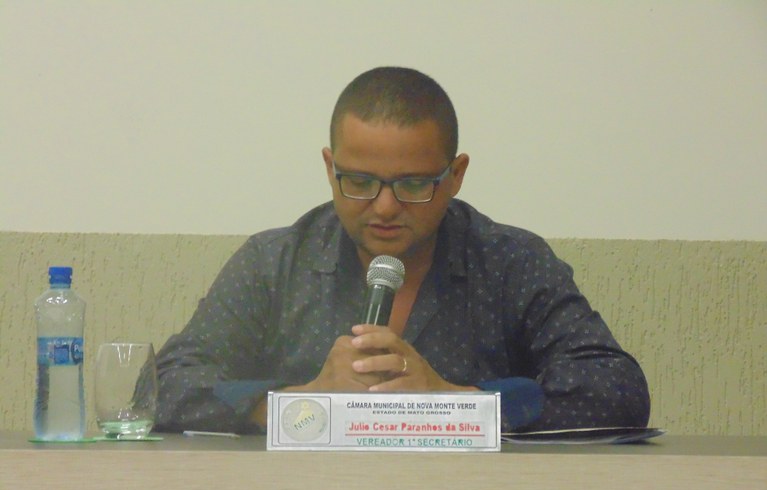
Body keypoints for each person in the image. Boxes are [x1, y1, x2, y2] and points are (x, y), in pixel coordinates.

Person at [155, 66, 650, 434]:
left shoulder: (510, 261)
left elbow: (616, 389)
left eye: (413, 184)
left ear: (455, 175)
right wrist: (303, 401)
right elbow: (163, 388)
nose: (385, 207)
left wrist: (456, 402)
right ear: (330, 168)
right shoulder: (274, 262)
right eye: (359, 181)